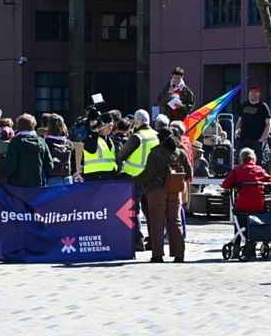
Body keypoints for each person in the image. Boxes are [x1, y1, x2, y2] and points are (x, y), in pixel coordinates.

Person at [132, 127, 191, 263]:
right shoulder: (181, 152)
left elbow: (148, 175)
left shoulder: (155, 153)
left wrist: (133, 179)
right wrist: (175, 180)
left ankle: (157, 255)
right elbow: (189, 173)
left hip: (156, 191)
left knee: (157, 222)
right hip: (175, 191)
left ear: (160, 139)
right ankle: (179, 255)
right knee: (176, 222)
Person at [221, 148, 271, 260]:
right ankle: (252, 246)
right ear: (254, 158)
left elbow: (225, 184)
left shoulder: (238, 170)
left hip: (243, 205)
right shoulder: (259, 169)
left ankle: (236, 247)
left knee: (239, 221)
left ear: (241, 159)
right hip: (258, 206)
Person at [118, 110, 159, 250]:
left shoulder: (137, 137)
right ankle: (154, 242)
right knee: (151, 211)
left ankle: (138, 241)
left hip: (136, 177)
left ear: (135, 122)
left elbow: (122, 155)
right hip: (153, 178)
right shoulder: (156, 135)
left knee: (133, 211)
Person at [0, 114, 53, 188]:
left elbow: (10, 168)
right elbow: (49, 166)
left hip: (17, 187)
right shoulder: (42, 142)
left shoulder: (15, 142)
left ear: (19, 126)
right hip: (36, 185)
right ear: (33, 125)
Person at [235, 86, 271, 163]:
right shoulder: (244, 105)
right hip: (243, 139)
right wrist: (236, 132)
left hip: (257, 140)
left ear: (259, 94)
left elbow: (269, 124)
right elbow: (239, 121)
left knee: (258, 162)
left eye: (255, 92)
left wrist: (261, 140)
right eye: (251, 92)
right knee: (238, 159)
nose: (253, 94)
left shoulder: (263, 106)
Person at [82, 112, 119, 182]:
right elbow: (91, 149)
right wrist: (94, 132)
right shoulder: (90, 138)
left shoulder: (109, 140)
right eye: (107, 125)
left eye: (111, 125)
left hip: (109, 174)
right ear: (100, 126)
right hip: (94, 176)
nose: (110, 128)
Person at [44, 114, 75, 186]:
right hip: (68, 179)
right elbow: (74, 167)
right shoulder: (69, 143)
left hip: (51, 179)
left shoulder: (47, 142)